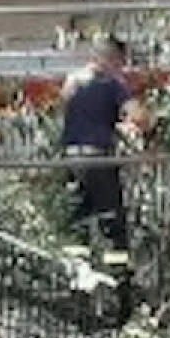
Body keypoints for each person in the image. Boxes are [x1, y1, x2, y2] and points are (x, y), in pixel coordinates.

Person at [60, 35, 142, 254]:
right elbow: (137, 115)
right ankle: (119, 276)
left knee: (78, 220)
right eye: (121, 62)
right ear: (112, 58)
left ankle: (77, 275)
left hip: (71, 159)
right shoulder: (112, 83)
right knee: (112, 221)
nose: (122, 68)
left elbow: (76, 113)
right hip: (98, 159)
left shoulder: (72, 81)